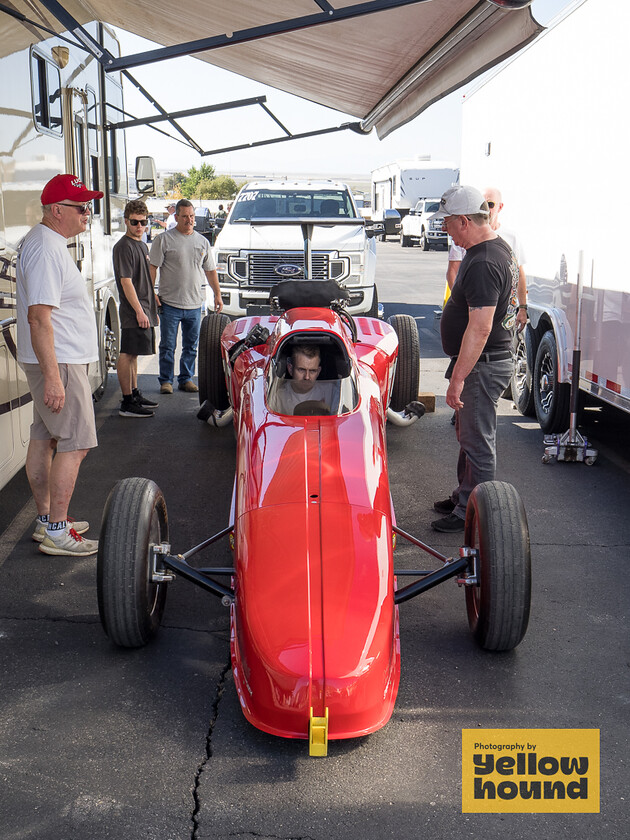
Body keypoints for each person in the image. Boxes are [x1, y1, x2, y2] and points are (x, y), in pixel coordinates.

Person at [16, 173, 102, 556]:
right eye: (81, 207)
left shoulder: (43, 242)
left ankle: (48, 519)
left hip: (56, 360)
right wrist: (54, 377)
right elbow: (39, 317)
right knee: (76, 443)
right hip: (60, 362)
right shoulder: (48, 249)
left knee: (44, 436)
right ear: (57, 210)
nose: (88, 214)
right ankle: (57, 530)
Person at [430, 185, 519, 533]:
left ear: (465, 221)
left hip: (483, 365)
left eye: (448, 222)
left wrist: (457, 379)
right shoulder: (489, 248)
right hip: (482, 362)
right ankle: (464, 496)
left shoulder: (483, 261)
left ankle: (476, 515)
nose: (444, 229)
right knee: (468, 435)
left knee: (478, 441)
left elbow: (480, 329)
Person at [149, 199, 223, 394]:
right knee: (168, 345)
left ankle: (186, 379)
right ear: (176, 217)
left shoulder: (202, 242)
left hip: (194, 304)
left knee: (191, 346)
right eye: (185, 216)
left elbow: (210, 270)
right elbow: (152, 268)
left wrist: (217, 294)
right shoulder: (163, 240)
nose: (189, 220)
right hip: (170, 303)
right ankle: (166, 381)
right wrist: (152, 293)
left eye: (191, 216)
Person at [445, 186, 528, 332]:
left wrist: (522, 307)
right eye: (482, 204)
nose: (486, 208)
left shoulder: (508, 239)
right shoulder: (463, 236)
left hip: (497, 317)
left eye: (490, 204)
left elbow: (519, 273)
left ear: (500, 207)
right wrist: (461, 302)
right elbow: (452, 271)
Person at [113, 199, 160, 417]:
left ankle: (134, 393)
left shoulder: (141, 244)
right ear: (126, 221)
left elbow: (143, 279)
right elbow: (126, 281)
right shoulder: (123, 247)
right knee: (127, 353)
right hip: (134, 311)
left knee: (134, 355)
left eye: (143, 222)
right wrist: (140, 311)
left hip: (144, 308)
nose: (140, 226)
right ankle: (127, 402)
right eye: (134, 222)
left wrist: (153, 300)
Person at [275, 345, 335, 415]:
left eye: (312, 371)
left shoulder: (331, 392)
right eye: (301, 370)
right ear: (290, 369)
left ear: (318, 371)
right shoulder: (278, 397)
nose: (307, 377)